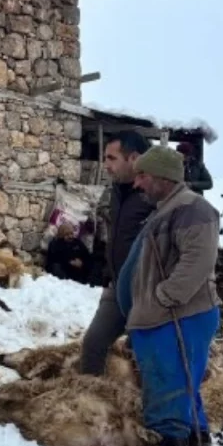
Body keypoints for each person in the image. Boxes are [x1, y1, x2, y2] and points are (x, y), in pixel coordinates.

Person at [114, 145, 222, 446]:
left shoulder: (194, 209)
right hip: (159, 319)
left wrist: (163, 297)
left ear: (161, 176)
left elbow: (197, 262)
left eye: (143, 175)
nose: (138, 182)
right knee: (184, 398)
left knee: (169, 400)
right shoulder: (167, 210)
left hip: (176, 318)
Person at [77, 130, 154, 375]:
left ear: (133, 158)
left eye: (111, 158)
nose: (105, 165)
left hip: (145, 292)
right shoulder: (118, 192)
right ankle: (89, 401)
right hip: (116, 285)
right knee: (93, 344)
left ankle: (140, 406)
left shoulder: (155, 196)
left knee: (140, 353)